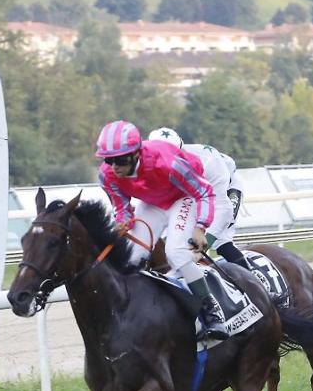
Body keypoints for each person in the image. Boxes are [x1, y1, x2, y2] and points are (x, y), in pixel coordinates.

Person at [96, 119, 228, 340]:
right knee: (131, 256)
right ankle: (133, 311)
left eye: (119, 159)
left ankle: (212, 311)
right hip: (152, 202)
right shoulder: (107, 175)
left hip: (183, 197)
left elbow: (203, 192)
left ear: (136, 154)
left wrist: (201, 227)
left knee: (175, 252)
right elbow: (122, 208)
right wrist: (123, 222)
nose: (114, 166)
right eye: (108, 160)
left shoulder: (167, 163)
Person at [147, 127, 250, 269]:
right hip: (193, 192)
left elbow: (223, 211)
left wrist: (203, 246)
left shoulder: (209, 163)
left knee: (220, 240)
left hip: (224, 188)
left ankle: (254, 280)